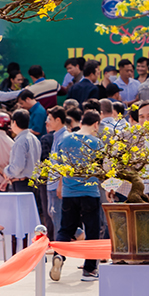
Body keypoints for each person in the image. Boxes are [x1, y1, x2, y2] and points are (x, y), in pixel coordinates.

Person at [50, 109, 102, 282]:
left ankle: (59, 256)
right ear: (96, 124)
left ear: (81, 123)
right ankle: (89, 270)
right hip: (90, 192)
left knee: (66, 229)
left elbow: (57, 165)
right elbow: (104, 169)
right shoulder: (96, 142)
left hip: (69, 192)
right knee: (92, 231)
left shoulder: (63, 140)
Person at [1, 109, 42, 193]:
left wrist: (7, 171)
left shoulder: (20, 141)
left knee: (22, 206)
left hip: (22, 183)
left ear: (14, 123)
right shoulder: (34, 138)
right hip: (34, 182)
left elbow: (18, 166)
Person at [43, 106, 68, 239]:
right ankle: (78, 234)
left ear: (58, 120)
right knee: (54, 215)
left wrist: (60, 185)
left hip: (57, 185)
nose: (47, 122)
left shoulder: (63, 138)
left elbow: (64, 165)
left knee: (58, 218)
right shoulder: (57, 136)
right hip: (52, 184)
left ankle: (60, 252)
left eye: (50, 119)